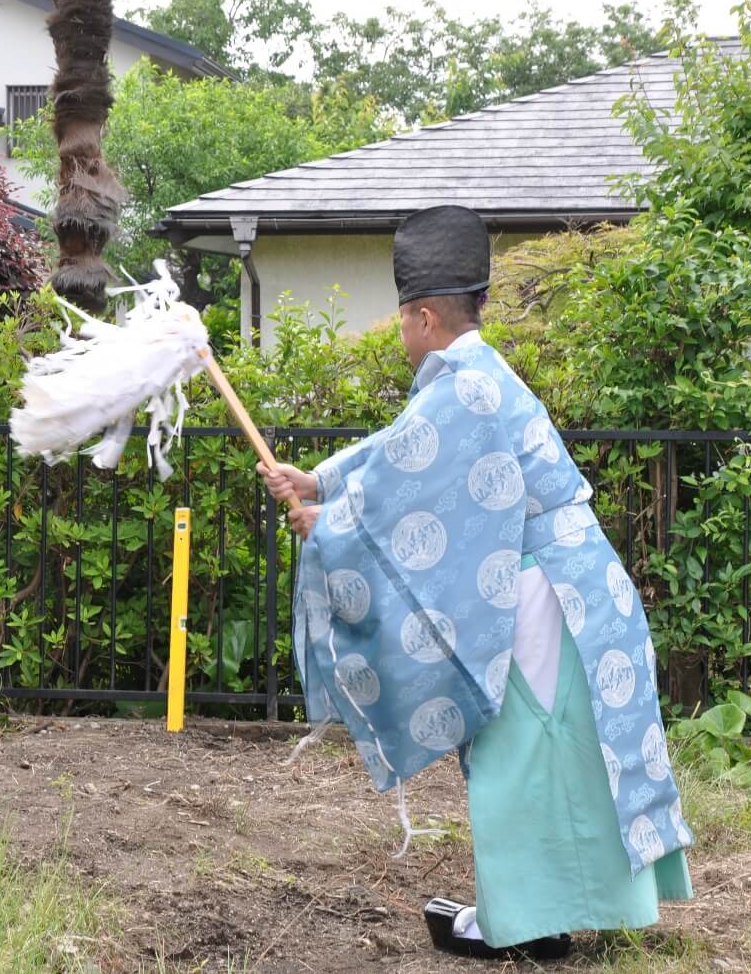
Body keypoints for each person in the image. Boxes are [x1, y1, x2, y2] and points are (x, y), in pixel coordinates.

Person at [257, 205, 694, 962]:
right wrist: (320, 481)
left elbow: (399, 485)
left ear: (424, 316)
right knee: (558, 752)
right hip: (566, 584)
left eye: (401, 319)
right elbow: (401, 453)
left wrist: (324, 525)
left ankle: (524, 924)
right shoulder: (474, 377)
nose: (399, 334)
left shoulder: (462, 388)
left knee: (516, 753)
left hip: (544, 592)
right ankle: (554, 912)